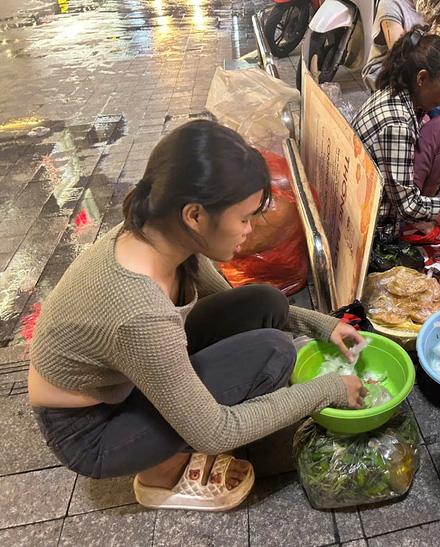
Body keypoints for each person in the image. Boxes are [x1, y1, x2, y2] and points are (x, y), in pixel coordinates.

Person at [28, 120, 368, 512]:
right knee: (274, 352)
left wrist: (323, 325)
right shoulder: (139, 310)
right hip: (91, 429)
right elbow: (215, 431)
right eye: (243, 218)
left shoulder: (159, 231)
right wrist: (328, 390)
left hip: (125, 377)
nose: (249, 229)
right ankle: (160, 474)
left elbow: (234, 309)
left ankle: (178, 427)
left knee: (266, 303)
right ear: (195, 215)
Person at [353, 27, 440, 245]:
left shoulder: (398, 93)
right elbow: (409, 208)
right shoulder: (397, 123)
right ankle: (417, 225)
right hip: (370, 226)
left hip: (376, 192)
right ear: (422, 78)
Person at [361, 0, 425, 93]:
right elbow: (400, 56)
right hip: (389, 72)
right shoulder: (390, 4)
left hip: (424, 68)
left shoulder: (438, 5)